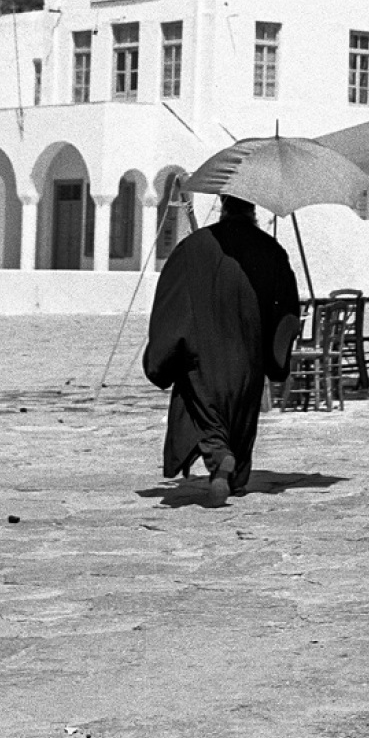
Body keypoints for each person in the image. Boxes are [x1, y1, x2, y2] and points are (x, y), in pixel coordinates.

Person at [144, 194, 301, 506]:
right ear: (252, 211)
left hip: (201, 355)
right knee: (242, 415)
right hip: (249, 356)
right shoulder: (270, 250)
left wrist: (163, 353)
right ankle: (234, 477)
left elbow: (171, 299)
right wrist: (276, 355)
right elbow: (287, 308)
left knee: (204, 410)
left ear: (223, 208)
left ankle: (219, 458)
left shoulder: (193, 247)